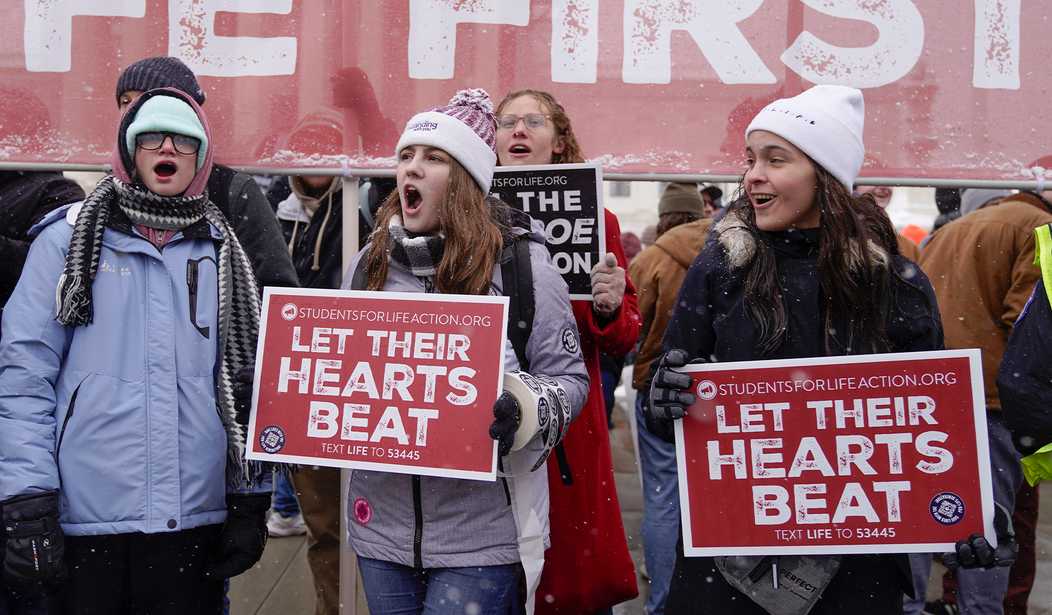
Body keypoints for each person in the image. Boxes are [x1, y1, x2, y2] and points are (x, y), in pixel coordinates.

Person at [648, 85, 944, 614]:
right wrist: (665, 398)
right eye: (750, 159)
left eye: (775, 159)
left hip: (856, 556)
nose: (752, 175)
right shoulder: (720, 268)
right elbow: (662, 395)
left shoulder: (894, 283)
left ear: (824, 176)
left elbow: (931, 423)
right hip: (729, 554)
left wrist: (969, 514)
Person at [0, 87, 271, 613]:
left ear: (201, 156)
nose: (167, 148)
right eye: (151, 137)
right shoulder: (67, 241)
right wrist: (27, 502)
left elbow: (247, 385)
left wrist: (249, 498)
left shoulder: (222, 250)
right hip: (85, 518)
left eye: (184, 141)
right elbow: (22, 375)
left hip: (195, 521)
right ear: (128, 149)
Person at [342, 89, 588, 614]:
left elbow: (570, 380)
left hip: (482, 537)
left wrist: (524, 407)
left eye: (433, 158)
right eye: (406, 156)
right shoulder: (369, 265)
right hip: (380, 529)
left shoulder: (525, 268)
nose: (413, 168)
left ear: (467, 182)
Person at [496, 88, 641, 614]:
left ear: (559, 142)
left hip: (568, 427)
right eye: (507, 121)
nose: (517, 131)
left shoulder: (597, 220)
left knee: (570, 569)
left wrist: (606, 309)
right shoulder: (461, 215)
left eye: (532, 122)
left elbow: (624, 334)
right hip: (486, 415)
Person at [915, 187, 1052, 615]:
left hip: (931, 398)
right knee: (989, 531)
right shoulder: (1036, 227)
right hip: (992, 401)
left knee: (923, 522)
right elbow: (1030, 327)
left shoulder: (946, 233)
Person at [116, 56, 298, 293]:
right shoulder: (104, 201)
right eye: (125, 101)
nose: (133, 109)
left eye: (146, 98)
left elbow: (278, 292)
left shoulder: (231, 192)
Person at [627, 181, 713, 615]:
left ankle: (661, 602)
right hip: (717, 391)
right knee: (713, 497)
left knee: (663, 499)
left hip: (658, 387)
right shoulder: (727, 249)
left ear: (663, 216)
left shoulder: (652, 258)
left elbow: (631, 327)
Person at [854, 184, 922, 261]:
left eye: (888, 179)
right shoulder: (842, 238)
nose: (883, 187)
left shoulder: (908, 248)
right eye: (874, 177)